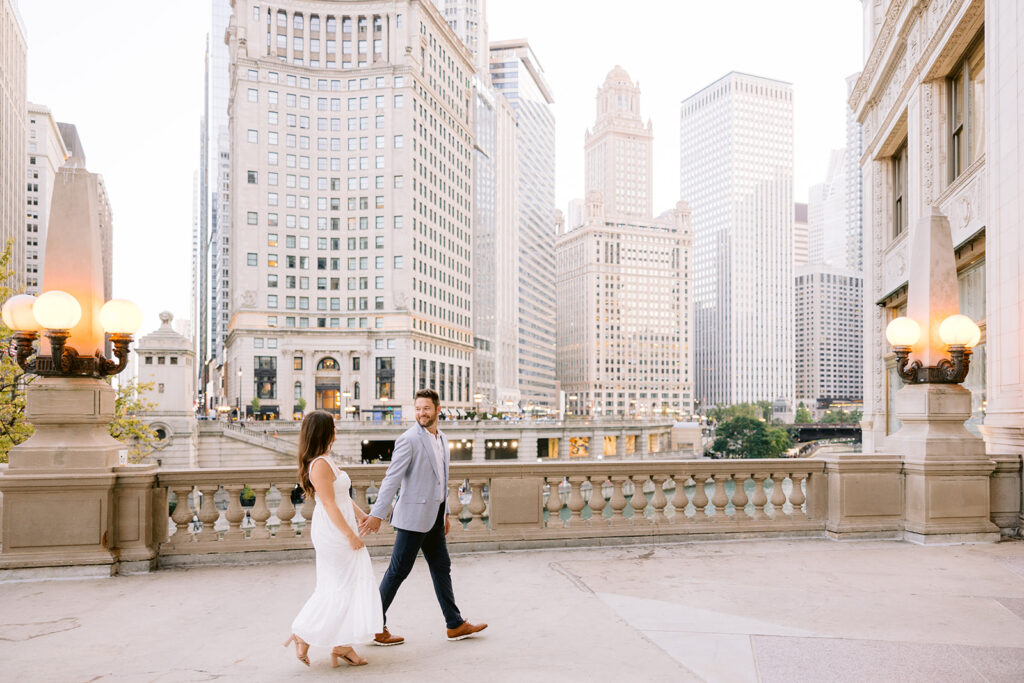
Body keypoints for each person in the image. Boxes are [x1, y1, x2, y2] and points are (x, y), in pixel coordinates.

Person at [359, 389, 487, 645]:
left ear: (438, 410)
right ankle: (374, 625)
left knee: (442, 568)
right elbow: (391, 479)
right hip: (412, 518)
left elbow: (442, 480)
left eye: (426, 409)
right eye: (417, 409)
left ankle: (454, 624)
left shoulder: (442, 439)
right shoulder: (408, 439)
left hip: (435, 517)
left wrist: (446, 513)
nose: (421, 413)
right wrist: (377, 513)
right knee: (397, 572)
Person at [285, 411, 383, 668]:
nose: (336, 429)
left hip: (340, 525)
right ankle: (304, 631)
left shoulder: (326, 460)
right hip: (333, 531)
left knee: (348, 585)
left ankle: (342, 644)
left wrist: (362, 516)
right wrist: (350, 535)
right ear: (324, 431)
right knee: (338, 585)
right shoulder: (318, 465)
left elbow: (342, 497)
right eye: (333, 426)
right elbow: (329, 505)